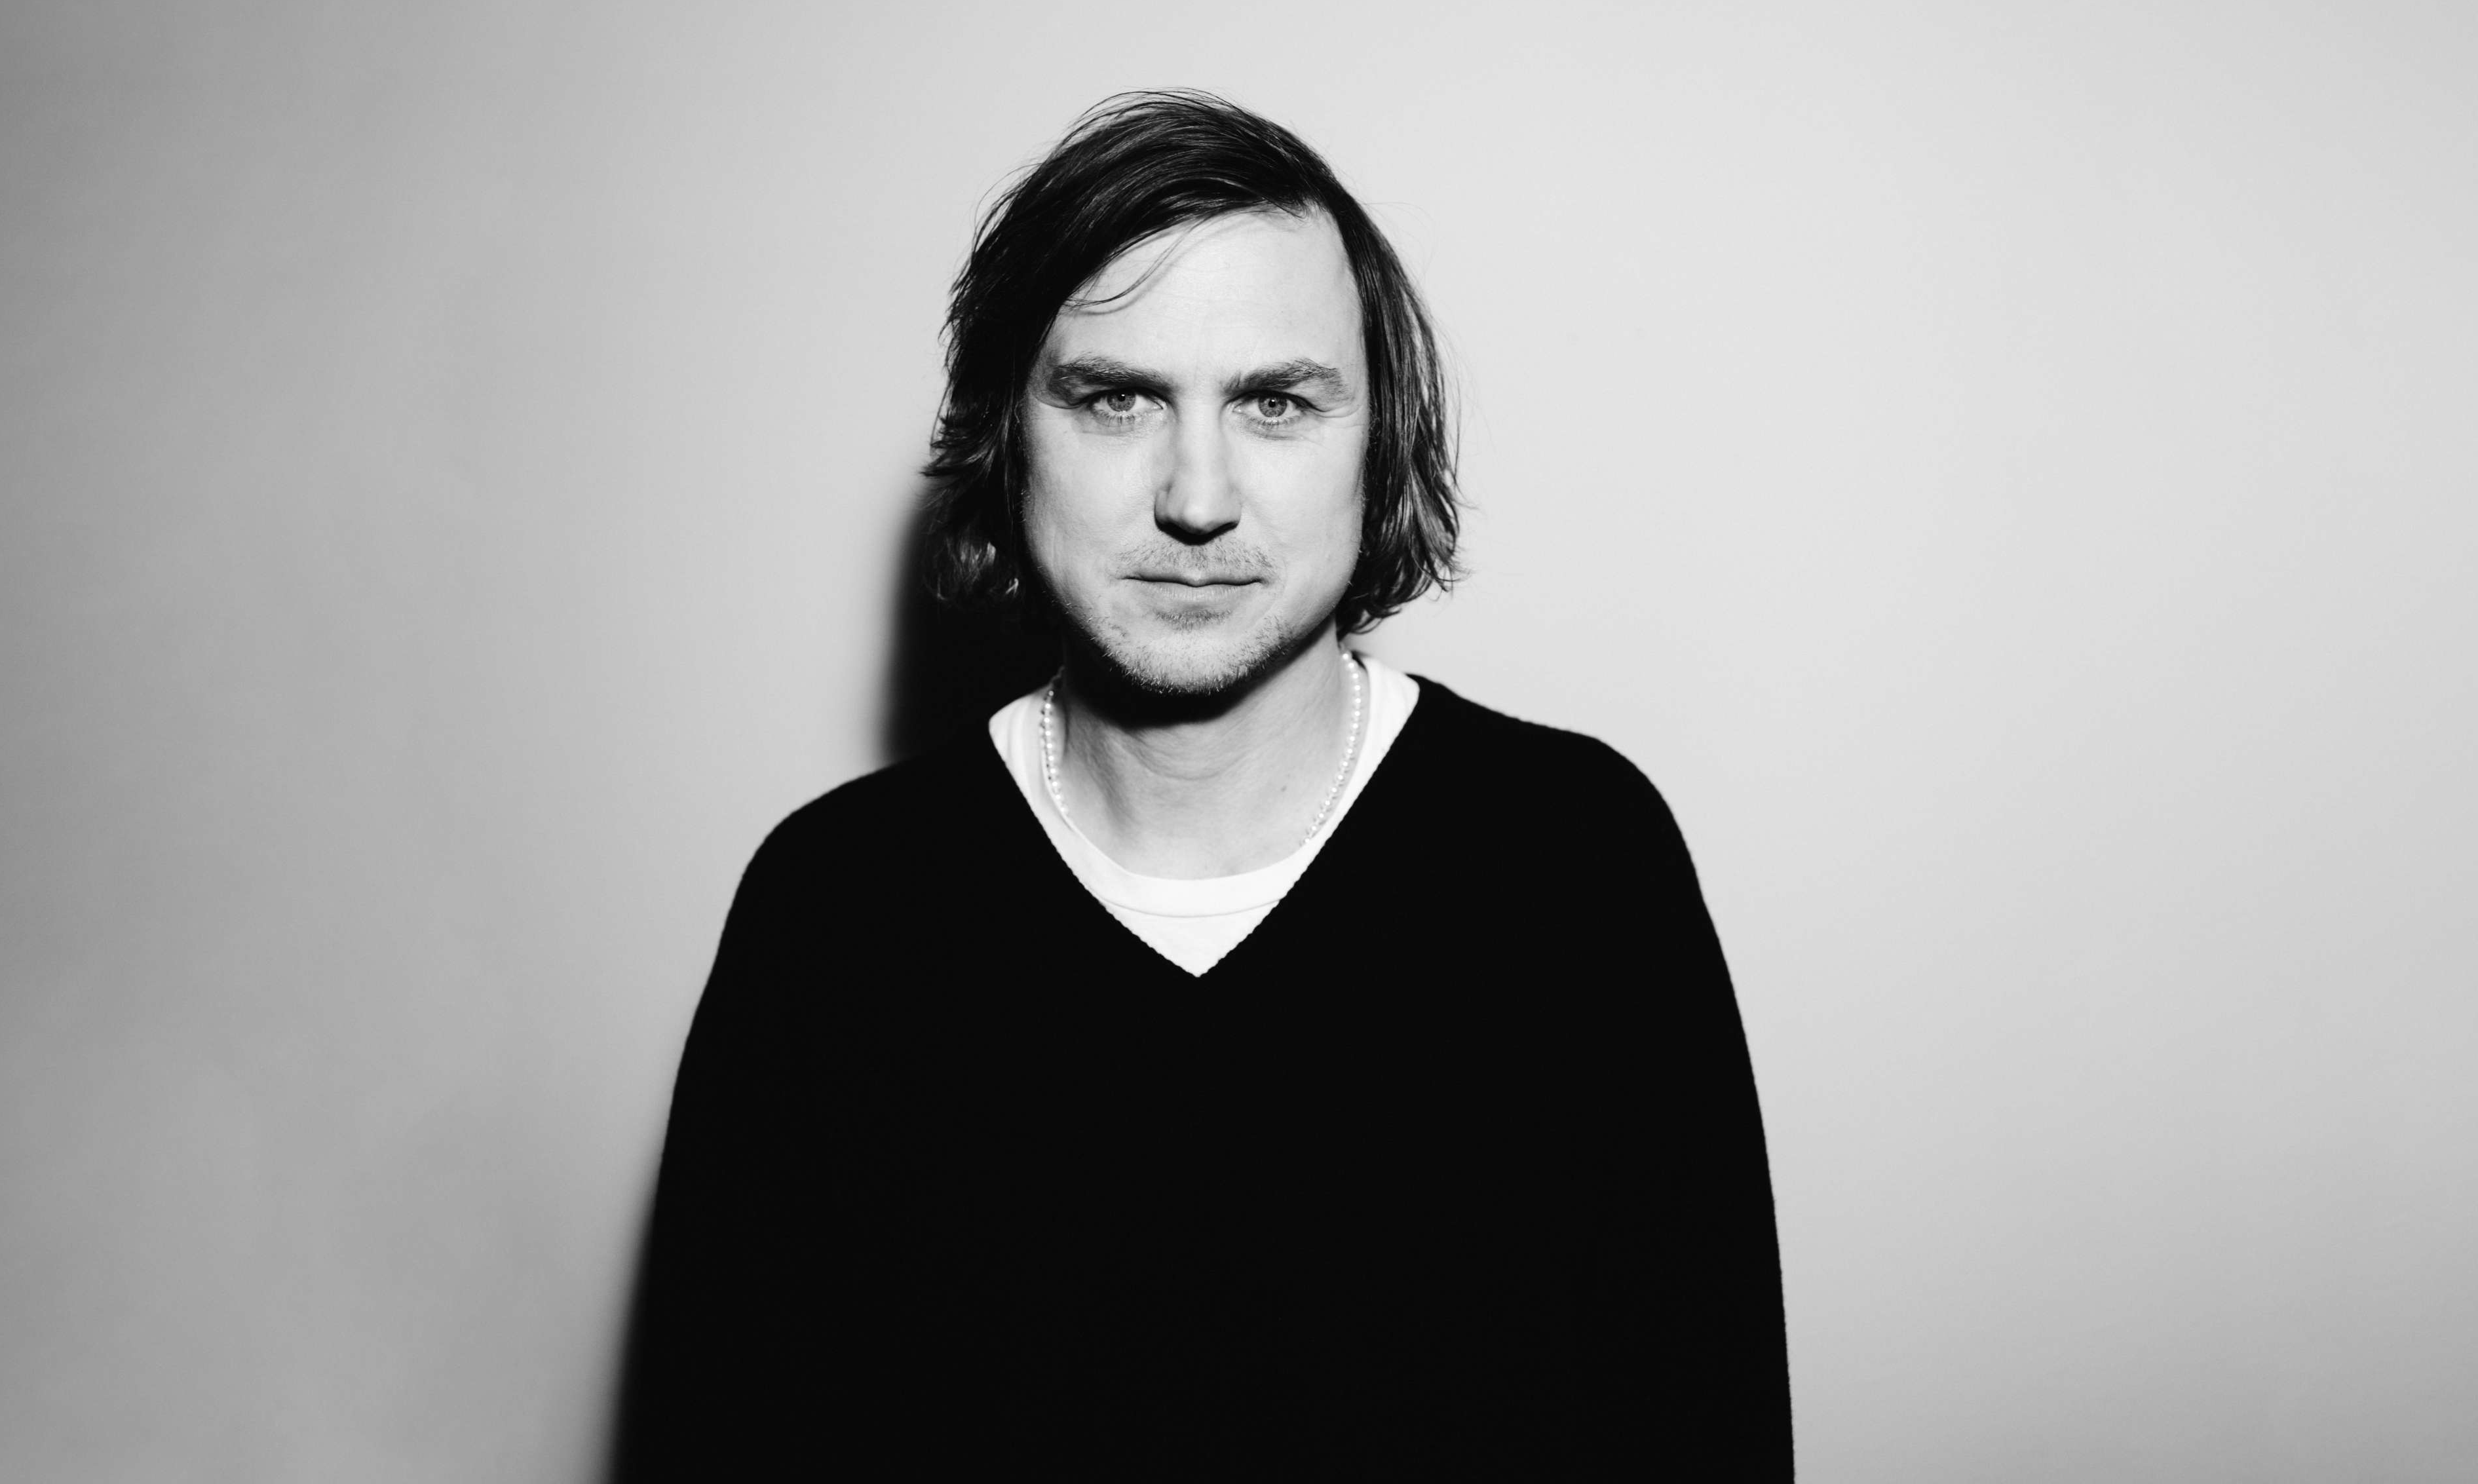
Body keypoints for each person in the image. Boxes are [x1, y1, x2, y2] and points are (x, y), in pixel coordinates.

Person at [617, 93, 1791, 1475]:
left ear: (1378, 443)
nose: (1196, 497)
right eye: (1116, 400)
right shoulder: (834, 913)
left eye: (1275, 403)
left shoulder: (1576, 866)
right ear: (1011, 436)